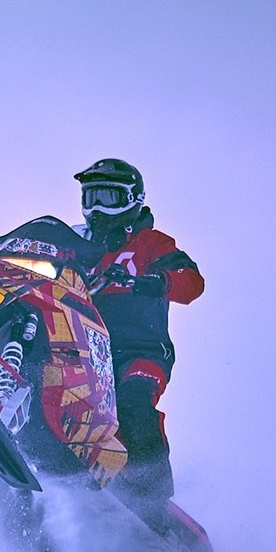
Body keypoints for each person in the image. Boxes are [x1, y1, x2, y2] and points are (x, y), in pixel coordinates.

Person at [70, 158, 204, 530]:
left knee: (131, 403)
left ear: (132, 199)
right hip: (80, 349)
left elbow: (191, 280)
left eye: (109, 198)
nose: (98, 209)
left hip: (139, 350)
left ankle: (151, 494)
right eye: (91, 197)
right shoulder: (77, 247)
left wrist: (158, 281)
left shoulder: (149, 243)